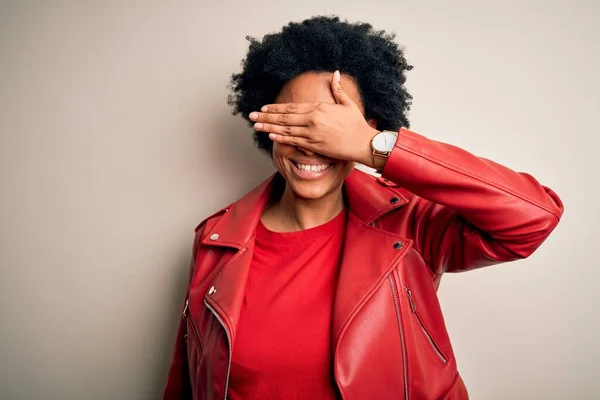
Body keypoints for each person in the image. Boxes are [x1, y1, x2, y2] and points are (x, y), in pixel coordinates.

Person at [163, 15, 564, 400]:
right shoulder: (216, 240)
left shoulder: (410, 226)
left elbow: (534, 217)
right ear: (266, 126)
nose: (310, 143)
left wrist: (374, 147)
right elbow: (186, 381)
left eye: (330, 128)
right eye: (296, 124)